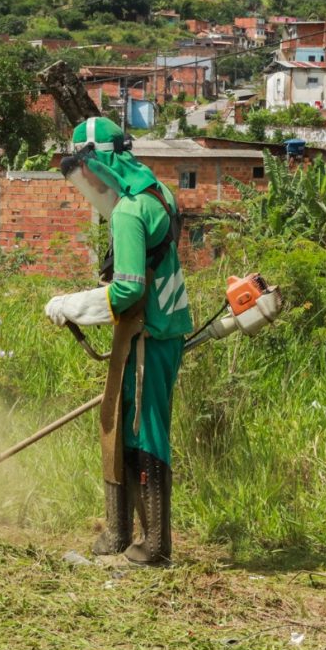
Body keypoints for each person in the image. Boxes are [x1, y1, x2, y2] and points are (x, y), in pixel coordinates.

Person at [45, 117, 193, 566]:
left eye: (85, 169)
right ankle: (119, 532)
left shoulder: (130, 212)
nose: (85, 180)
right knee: (123, 423)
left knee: (143, 432)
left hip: (147, 333)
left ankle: (154, 546)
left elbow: (128, 288)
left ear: (100, 163)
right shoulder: (157, 193)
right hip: (157, 329)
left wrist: (71, 305)